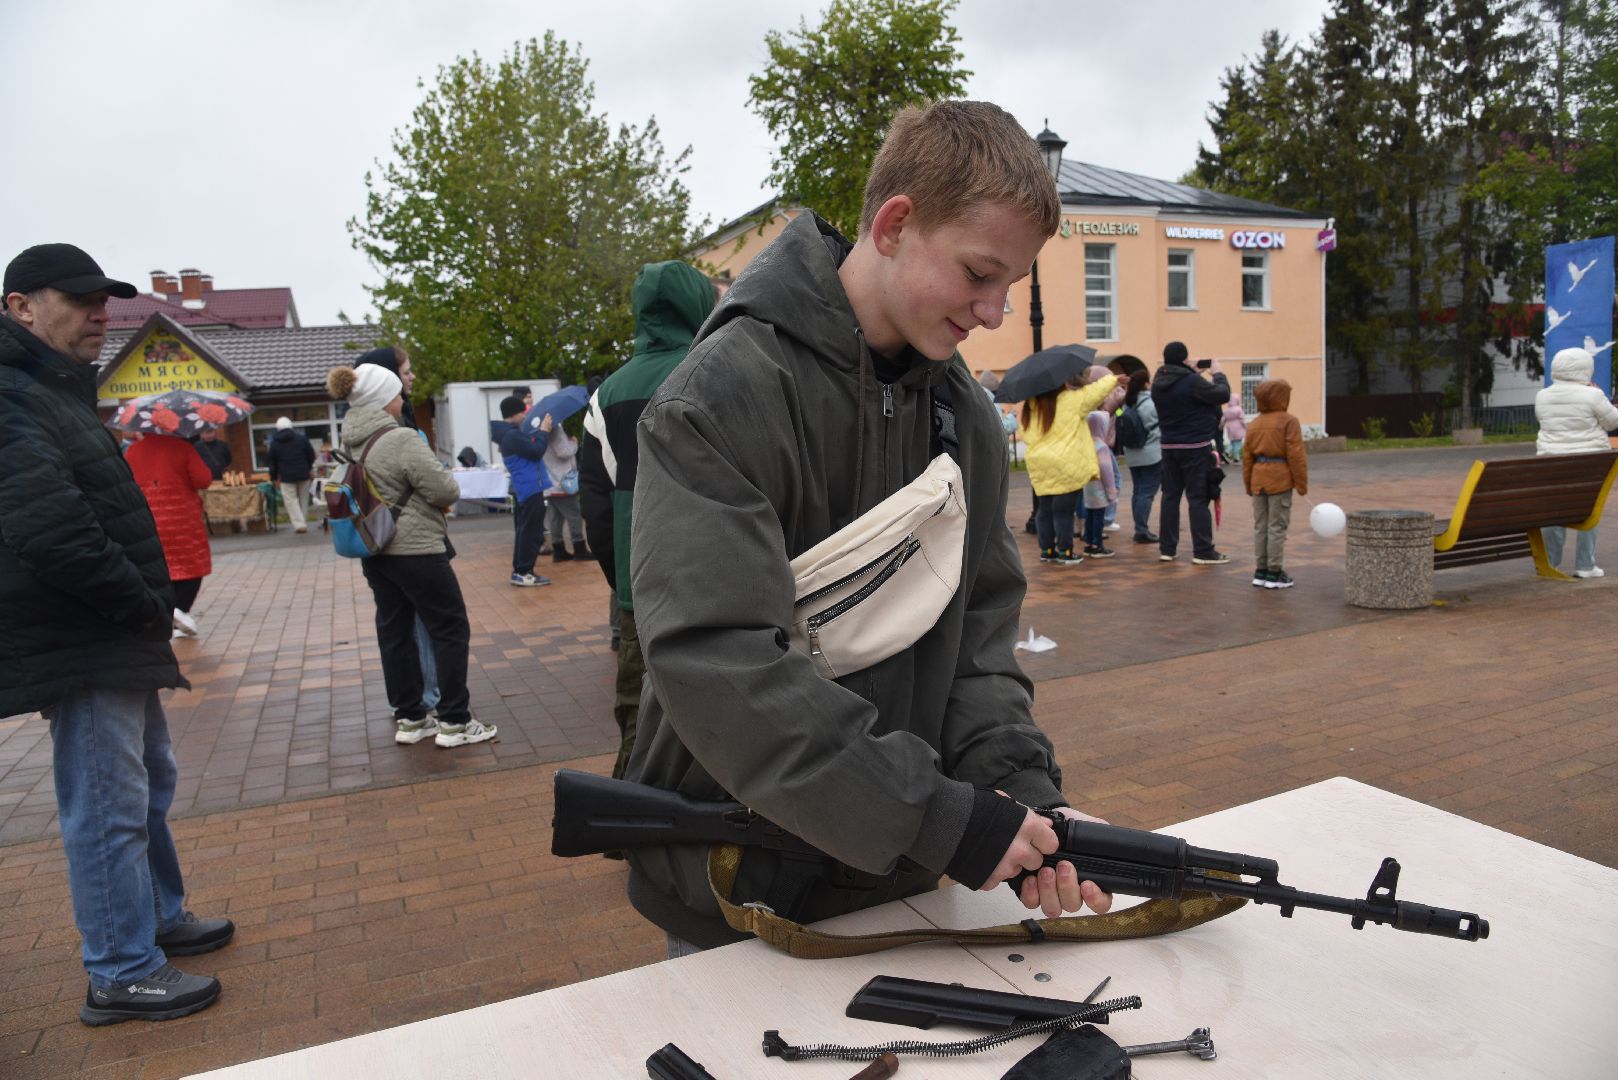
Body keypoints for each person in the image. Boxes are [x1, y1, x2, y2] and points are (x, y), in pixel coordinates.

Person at [624, 100, 1114, 954]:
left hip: (902, 880)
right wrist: (937, 818)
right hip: (734, 889)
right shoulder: (720, 394)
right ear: (894, 226)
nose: (994, 313)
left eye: (1010, 286)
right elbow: (718, 658)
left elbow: (976, 648)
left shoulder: (966, 417)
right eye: (979, 274)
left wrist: (1026, 800)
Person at [0, 243, 233, 1026]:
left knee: (146, 783)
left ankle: (157, 918)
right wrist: (139, 601)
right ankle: (122, 969)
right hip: (86, 633)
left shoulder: (54, 388)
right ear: (20, 307)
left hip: (110, 629)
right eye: (80, 299)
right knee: (107, 804)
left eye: (104, 300)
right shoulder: (14, 395)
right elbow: (50, 530)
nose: (101, 313)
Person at [579, 260, 716, 780]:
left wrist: (622, 584)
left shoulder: (606, 395)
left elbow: (595, 506)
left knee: (638, 718)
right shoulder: (720, 369)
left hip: (640, 585)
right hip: (716, 583)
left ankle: (629, 814)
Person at [327, 364, 494, 747]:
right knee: (449, 628)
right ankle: (454, 721)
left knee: (395, 632)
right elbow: (445, 490)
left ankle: (411, 718)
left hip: (376, 549)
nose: (402, 399)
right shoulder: (400, 438)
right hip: (417, 548)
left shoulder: (351, 440)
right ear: (384, 399)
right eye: (397, 394)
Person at [356, 346, 439, 716]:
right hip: (411, 540)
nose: (412, 377)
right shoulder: (399, 431)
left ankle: (406, 703)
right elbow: (438, 487)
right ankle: (430, 697)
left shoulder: (357, 429)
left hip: (375, 539)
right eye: (405, 371)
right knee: (427, 622)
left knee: (393, 624)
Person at [1535, 346, 1618, 578]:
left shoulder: (1542, 396)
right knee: (1589, 510)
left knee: (1554, 512)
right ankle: (1585, 565)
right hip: (1589, 465)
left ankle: (1551, 563)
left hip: (1551, 464)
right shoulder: (1593, 395)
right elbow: (1612, 423)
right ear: (1586, 369)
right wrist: (1601, 396)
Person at [1022, 366, 1119, 565]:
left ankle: (1047, 550)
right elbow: (1094, 392)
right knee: (1064, 511)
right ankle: (1065, 551)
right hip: (1066, 464)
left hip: (1039, 463)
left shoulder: (1032, 406)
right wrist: (1114, 379)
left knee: (1044, 509)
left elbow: (1026, 433)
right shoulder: (1070, 400)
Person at [124, 432, 214, 637]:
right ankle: (179, 610)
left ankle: (170, 615)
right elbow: (203, 480)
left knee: (160, 567)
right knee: (192, 566)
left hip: (147, 518)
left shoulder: (132, 451)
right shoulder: (183, 448)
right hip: (182, 519)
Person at [1151, 343, 1231, 565]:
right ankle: (1203, 551)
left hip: (1169, 447)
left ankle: (1167, 549)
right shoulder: (1191, 382)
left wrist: (1190, 372)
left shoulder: (1157, 382)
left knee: (1170, 497)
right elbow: (1221, 394)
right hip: (1195, 447)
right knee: (1197, 498)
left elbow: (1181, 392)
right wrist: (1218, 373)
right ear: (1184, 360)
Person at [1241, 378, 1308, 589]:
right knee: (1277, 526)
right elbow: (1296, 455)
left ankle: (1260, 571)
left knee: (1260, 526)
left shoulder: (1255, 423)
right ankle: (1274, 572)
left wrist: (1248, 484)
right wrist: (1301, 483)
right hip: (1280, 479)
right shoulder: (1289, 421)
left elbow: (1247, 457)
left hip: (1258, 479)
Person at [491, 395, 552, 586]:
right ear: (513, 414)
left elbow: (531, 448)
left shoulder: (511, 434)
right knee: (531, 532)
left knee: (525, 530)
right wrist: (544, 431)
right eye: (521, 413)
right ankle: (524, 571)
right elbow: (536, 450)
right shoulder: (512, 435)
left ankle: (521, 570)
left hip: (526, 487)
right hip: (530, 487)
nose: (525, 416)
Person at [1121, 370, 1161, 543]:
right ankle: (1141, 530)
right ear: (1145, 383)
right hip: (1151, 454)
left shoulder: (1127, 403)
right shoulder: (1150, 403)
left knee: (1138, 491)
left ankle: (1139, 527)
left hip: (1132, 454)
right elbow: (1157, 428)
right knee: (1147, 492)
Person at [542, 420, 590, 562]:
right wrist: (573, 443)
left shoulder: (542, 430)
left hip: (551, 481)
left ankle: (559, 550)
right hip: (562, 481)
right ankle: (579, 548)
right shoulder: (555, 429)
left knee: (555, 518)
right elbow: (563, 452)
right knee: (575, 515)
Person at [266, 416, 317, 533]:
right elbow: (311, 455)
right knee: (304, 499)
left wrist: (274, 477)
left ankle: (299, 524)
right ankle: (303, 522)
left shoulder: (274, 443)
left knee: (291, 501)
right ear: (291, 426)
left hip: (286, 476)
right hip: (303, 473)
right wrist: (309, 468)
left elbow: (272, 463)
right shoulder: (302, 439)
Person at [1081, 410, 1119, 558]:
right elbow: (1107, 471)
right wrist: (1111, 492)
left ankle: (1089, 543)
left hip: (1087, 487)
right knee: (1098, 517)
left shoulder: (1086, 443)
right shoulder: (1101, 446)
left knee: (1089, 515)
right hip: (1099, 488)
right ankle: (1097, 545)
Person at [1220, 397, 1247, 465]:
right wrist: (1246, 427)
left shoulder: (1227, 410)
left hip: (1229, 428)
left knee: (1232, 442)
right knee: (1238, 443)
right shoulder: (1238, 409)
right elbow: (1242, 419)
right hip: (1238, 427)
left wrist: (1221, 426)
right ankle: (1236, 458)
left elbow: (1223, 420)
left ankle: (1227, 451)